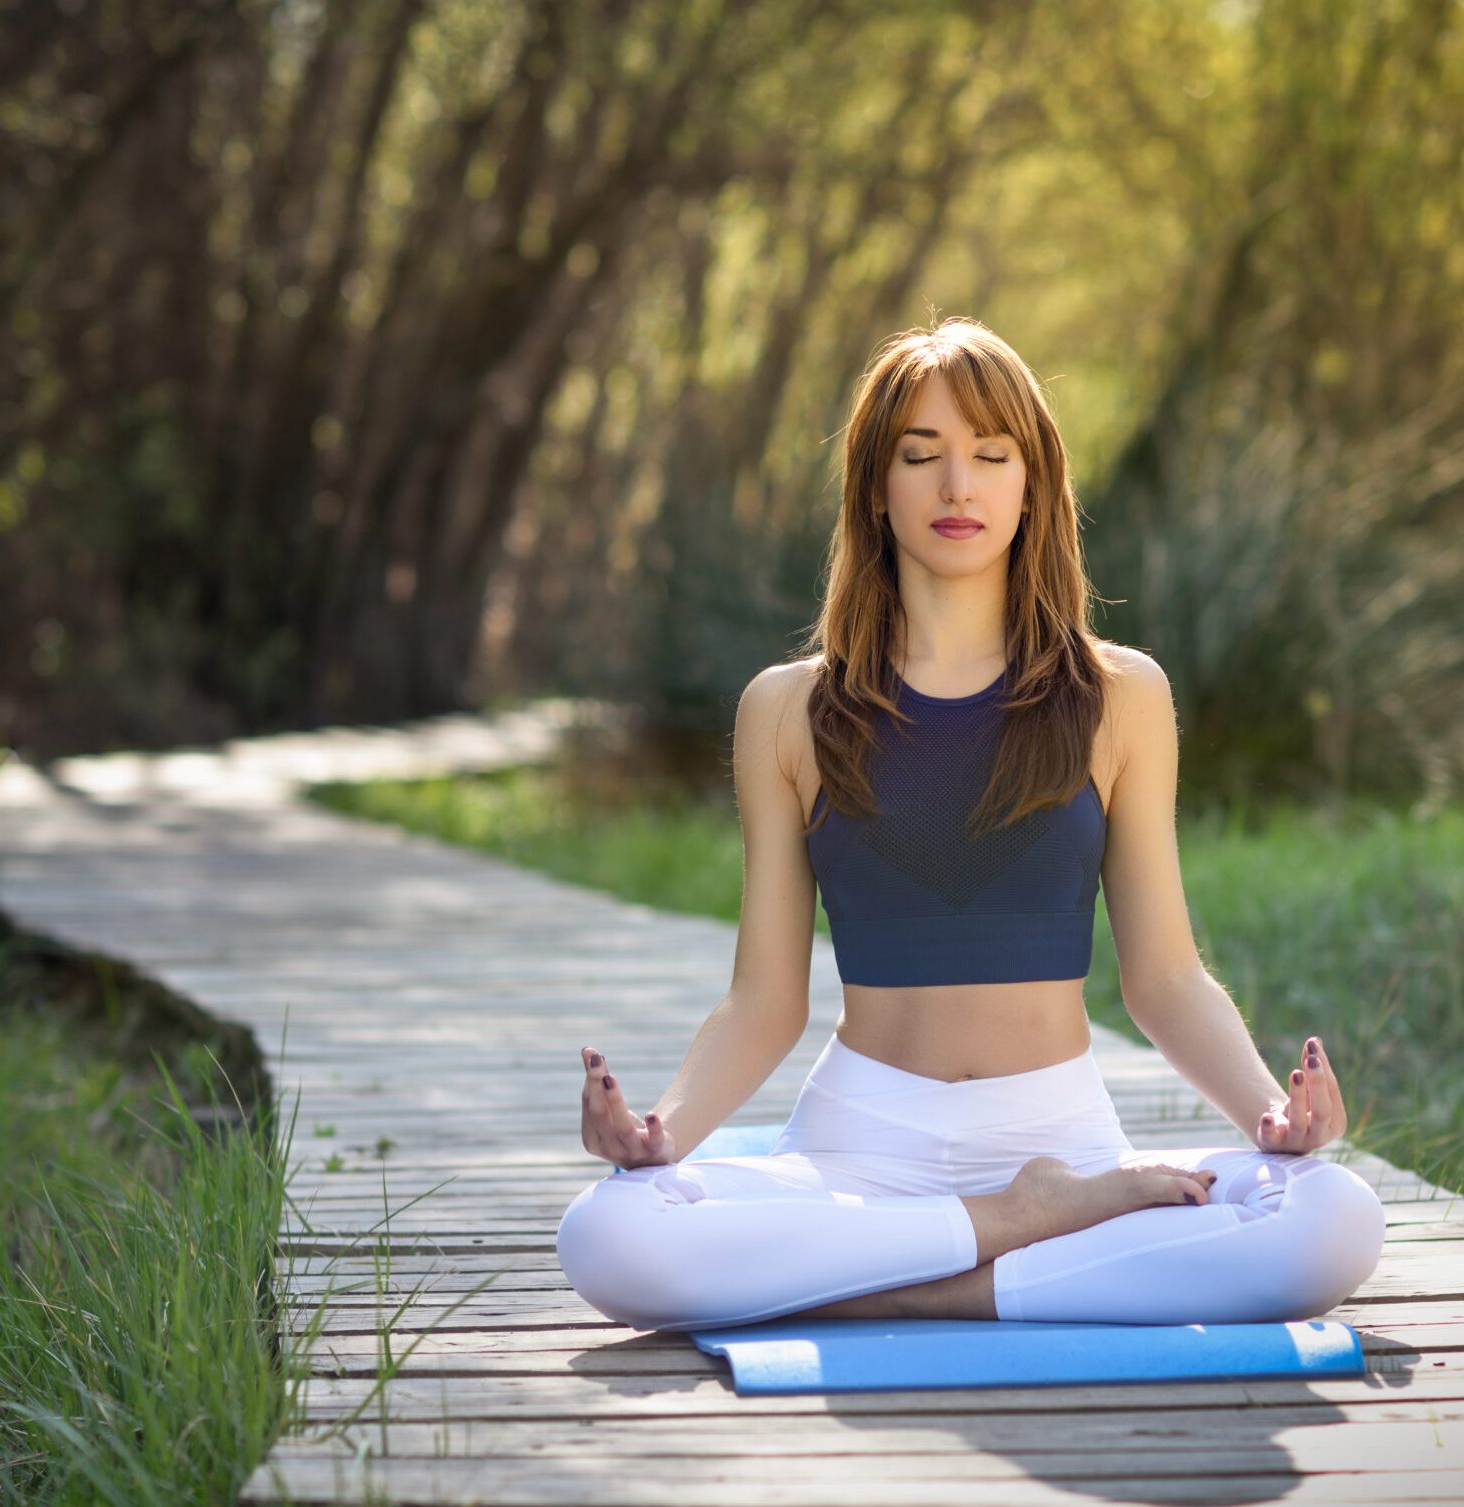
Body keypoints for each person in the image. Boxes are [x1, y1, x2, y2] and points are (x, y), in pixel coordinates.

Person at [555, 319, 1384, 1333]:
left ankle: (886, 1280)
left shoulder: (1120, 695)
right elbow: (763, 1001)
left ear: (1033, 485)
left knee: (1334, 1217)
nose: (959, 488)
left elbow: (1163, 977)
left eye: (992, 457)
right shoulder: (784, 708)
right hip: (861, 1142)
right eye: (922, 457)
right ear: (874, 485)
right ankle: (1011, 1229)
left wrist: (1270, 1115)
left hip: (1058, 1132)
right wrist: (659, 1132)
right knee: (605, 1235)